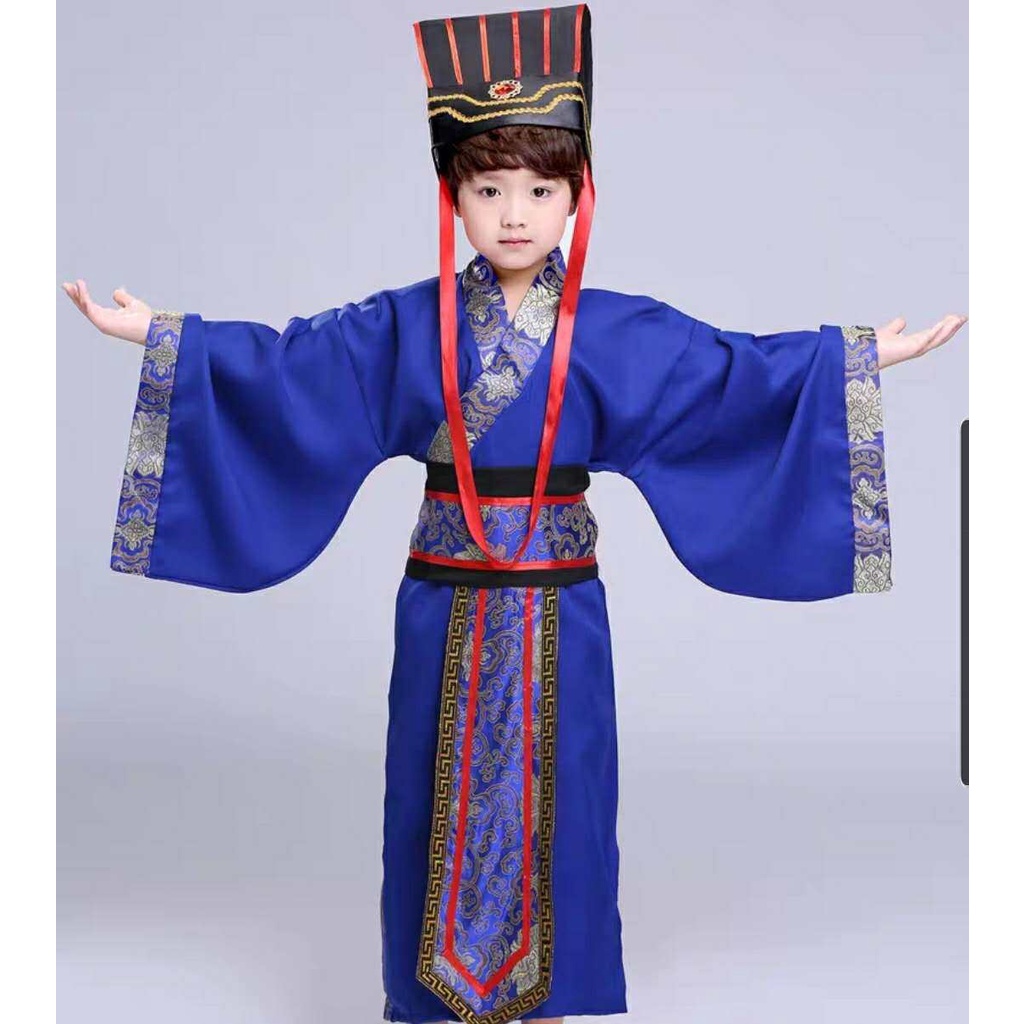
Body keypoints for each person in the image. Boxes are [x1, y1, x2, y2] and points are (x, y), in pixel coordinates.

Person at [61, 4, 966, 1023]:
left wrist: (852, 358)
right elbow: (287, 368)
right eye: (488, 189)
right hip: (442, 602)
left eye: (541, 189)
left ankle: (549, 993)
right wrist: (163, 338)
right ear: (454, 196)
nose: (515, 215)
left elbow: (734, 378)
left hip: (557, 607)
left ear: (578, 196)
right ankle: (428, 998)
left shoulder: (618, 332)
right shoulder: (407, 324)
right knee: (427, 791)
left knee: (565, 790)